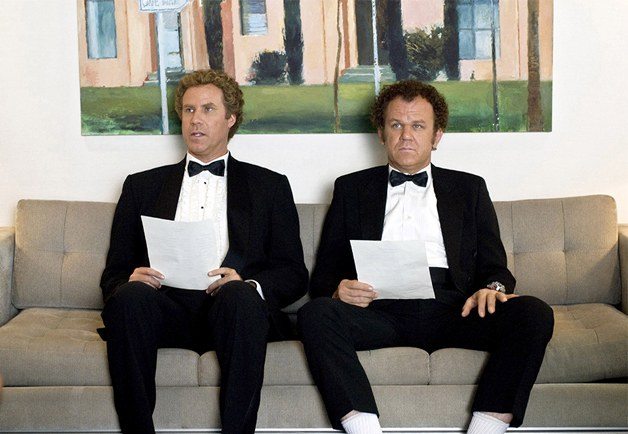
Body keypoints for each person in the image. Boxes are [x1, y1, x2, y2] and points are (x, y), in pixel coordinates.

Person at [297, 80, 554, 434]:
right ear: (381, 133)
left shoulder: (470, 188)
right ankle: (364, 429)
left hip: (454, 308)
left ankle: (486, 429)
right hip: (378, 310)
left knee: (534, 313)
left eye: (418, 125)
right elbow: (324, 275)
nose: (406, 135)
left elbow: (495, 267)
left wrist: (492, 288)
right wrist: (339, 290)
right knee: (315, 314)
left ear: (437, 136)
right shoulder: (350, 188)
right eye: (396, 124)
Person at [100, 69, 308, 434]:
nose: (196, 119)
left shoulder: (270, 186)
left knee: (240, 296)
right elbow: (113, 274)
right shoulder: (141, 186)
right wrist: (130, 279)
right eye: (189, 109)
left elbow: (293, 273)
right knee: (130, 297)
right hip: (164, 309)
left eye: (208, 109)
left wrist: (248, 284)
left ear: (231, 119)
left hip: (233, 313)